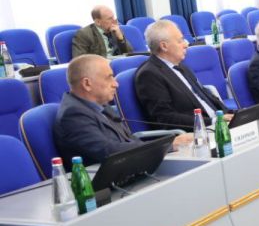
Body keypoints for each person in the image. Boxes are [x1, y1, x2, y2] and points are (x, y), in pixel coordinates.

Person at [54, 55, 191, 164]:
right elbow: (111, 151)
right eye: (109, 77)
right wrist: (168, 145)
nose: (116, 84)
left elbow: (129, 141)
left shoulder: (98, 104)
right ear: (87, 84)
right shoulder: (72, 115)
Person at [135, 19, 230, 130]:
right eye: (180, 41)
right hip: (197, 131)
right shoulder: (149, 74)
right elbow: (166, 118)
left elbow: (205, 96)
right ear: (164, 46)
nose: (186, 44)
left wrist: (230, 114)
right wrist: (214, 121)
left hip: (217, 123)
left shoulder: (180, 66)